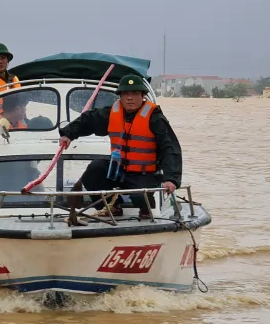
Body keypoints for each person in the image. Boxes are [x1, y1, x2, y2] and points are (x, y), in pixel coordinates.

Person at [58, 74, 182, 218]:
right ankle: (112, 207)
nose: (130, 98)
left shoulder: (156, 118)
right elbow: (89, 119)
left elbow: (170, 148)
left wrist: (171, 179)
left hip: (144, 175)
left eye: (135, 93)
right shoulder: (111, 113)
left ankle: (146, 211)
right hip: (118, 171)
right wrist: (68, 134)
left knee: (139, 197)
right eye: (126, 94)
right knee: (94, 170)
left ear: (143, 95)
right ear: (120, 96)